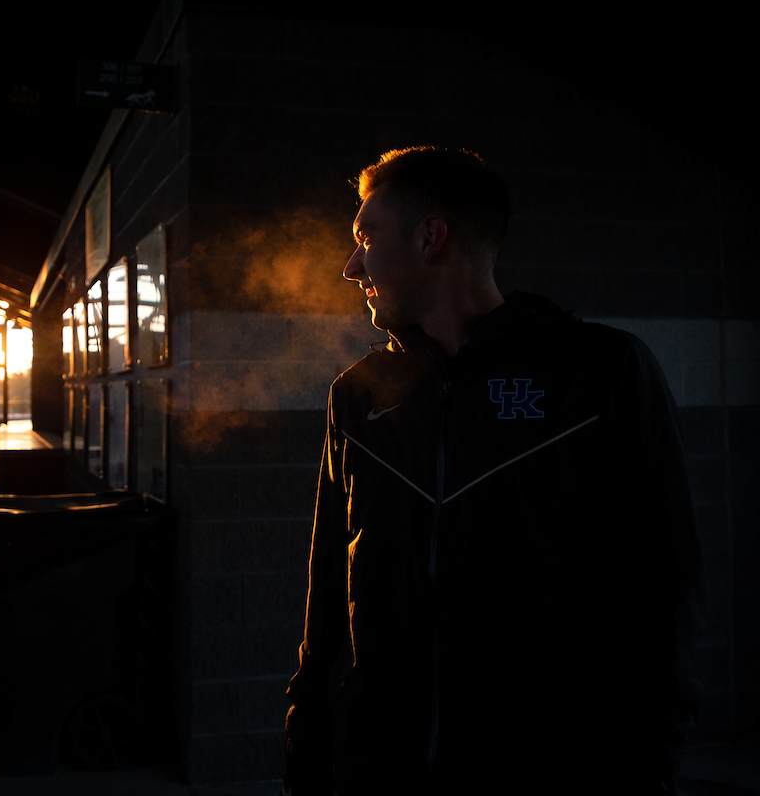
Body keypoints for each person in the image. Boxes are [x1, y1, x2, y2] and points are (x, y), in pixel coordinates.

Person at [283, 147, 703, 794]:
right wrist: (309, 757)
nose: (351, 265)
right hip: (377, 775)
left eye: (366, 237)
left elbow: (663, 589)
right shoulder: (359, 394)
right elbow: (328, 598)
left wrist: (646, 767)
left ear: (431, 237)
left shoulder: (598, 374)